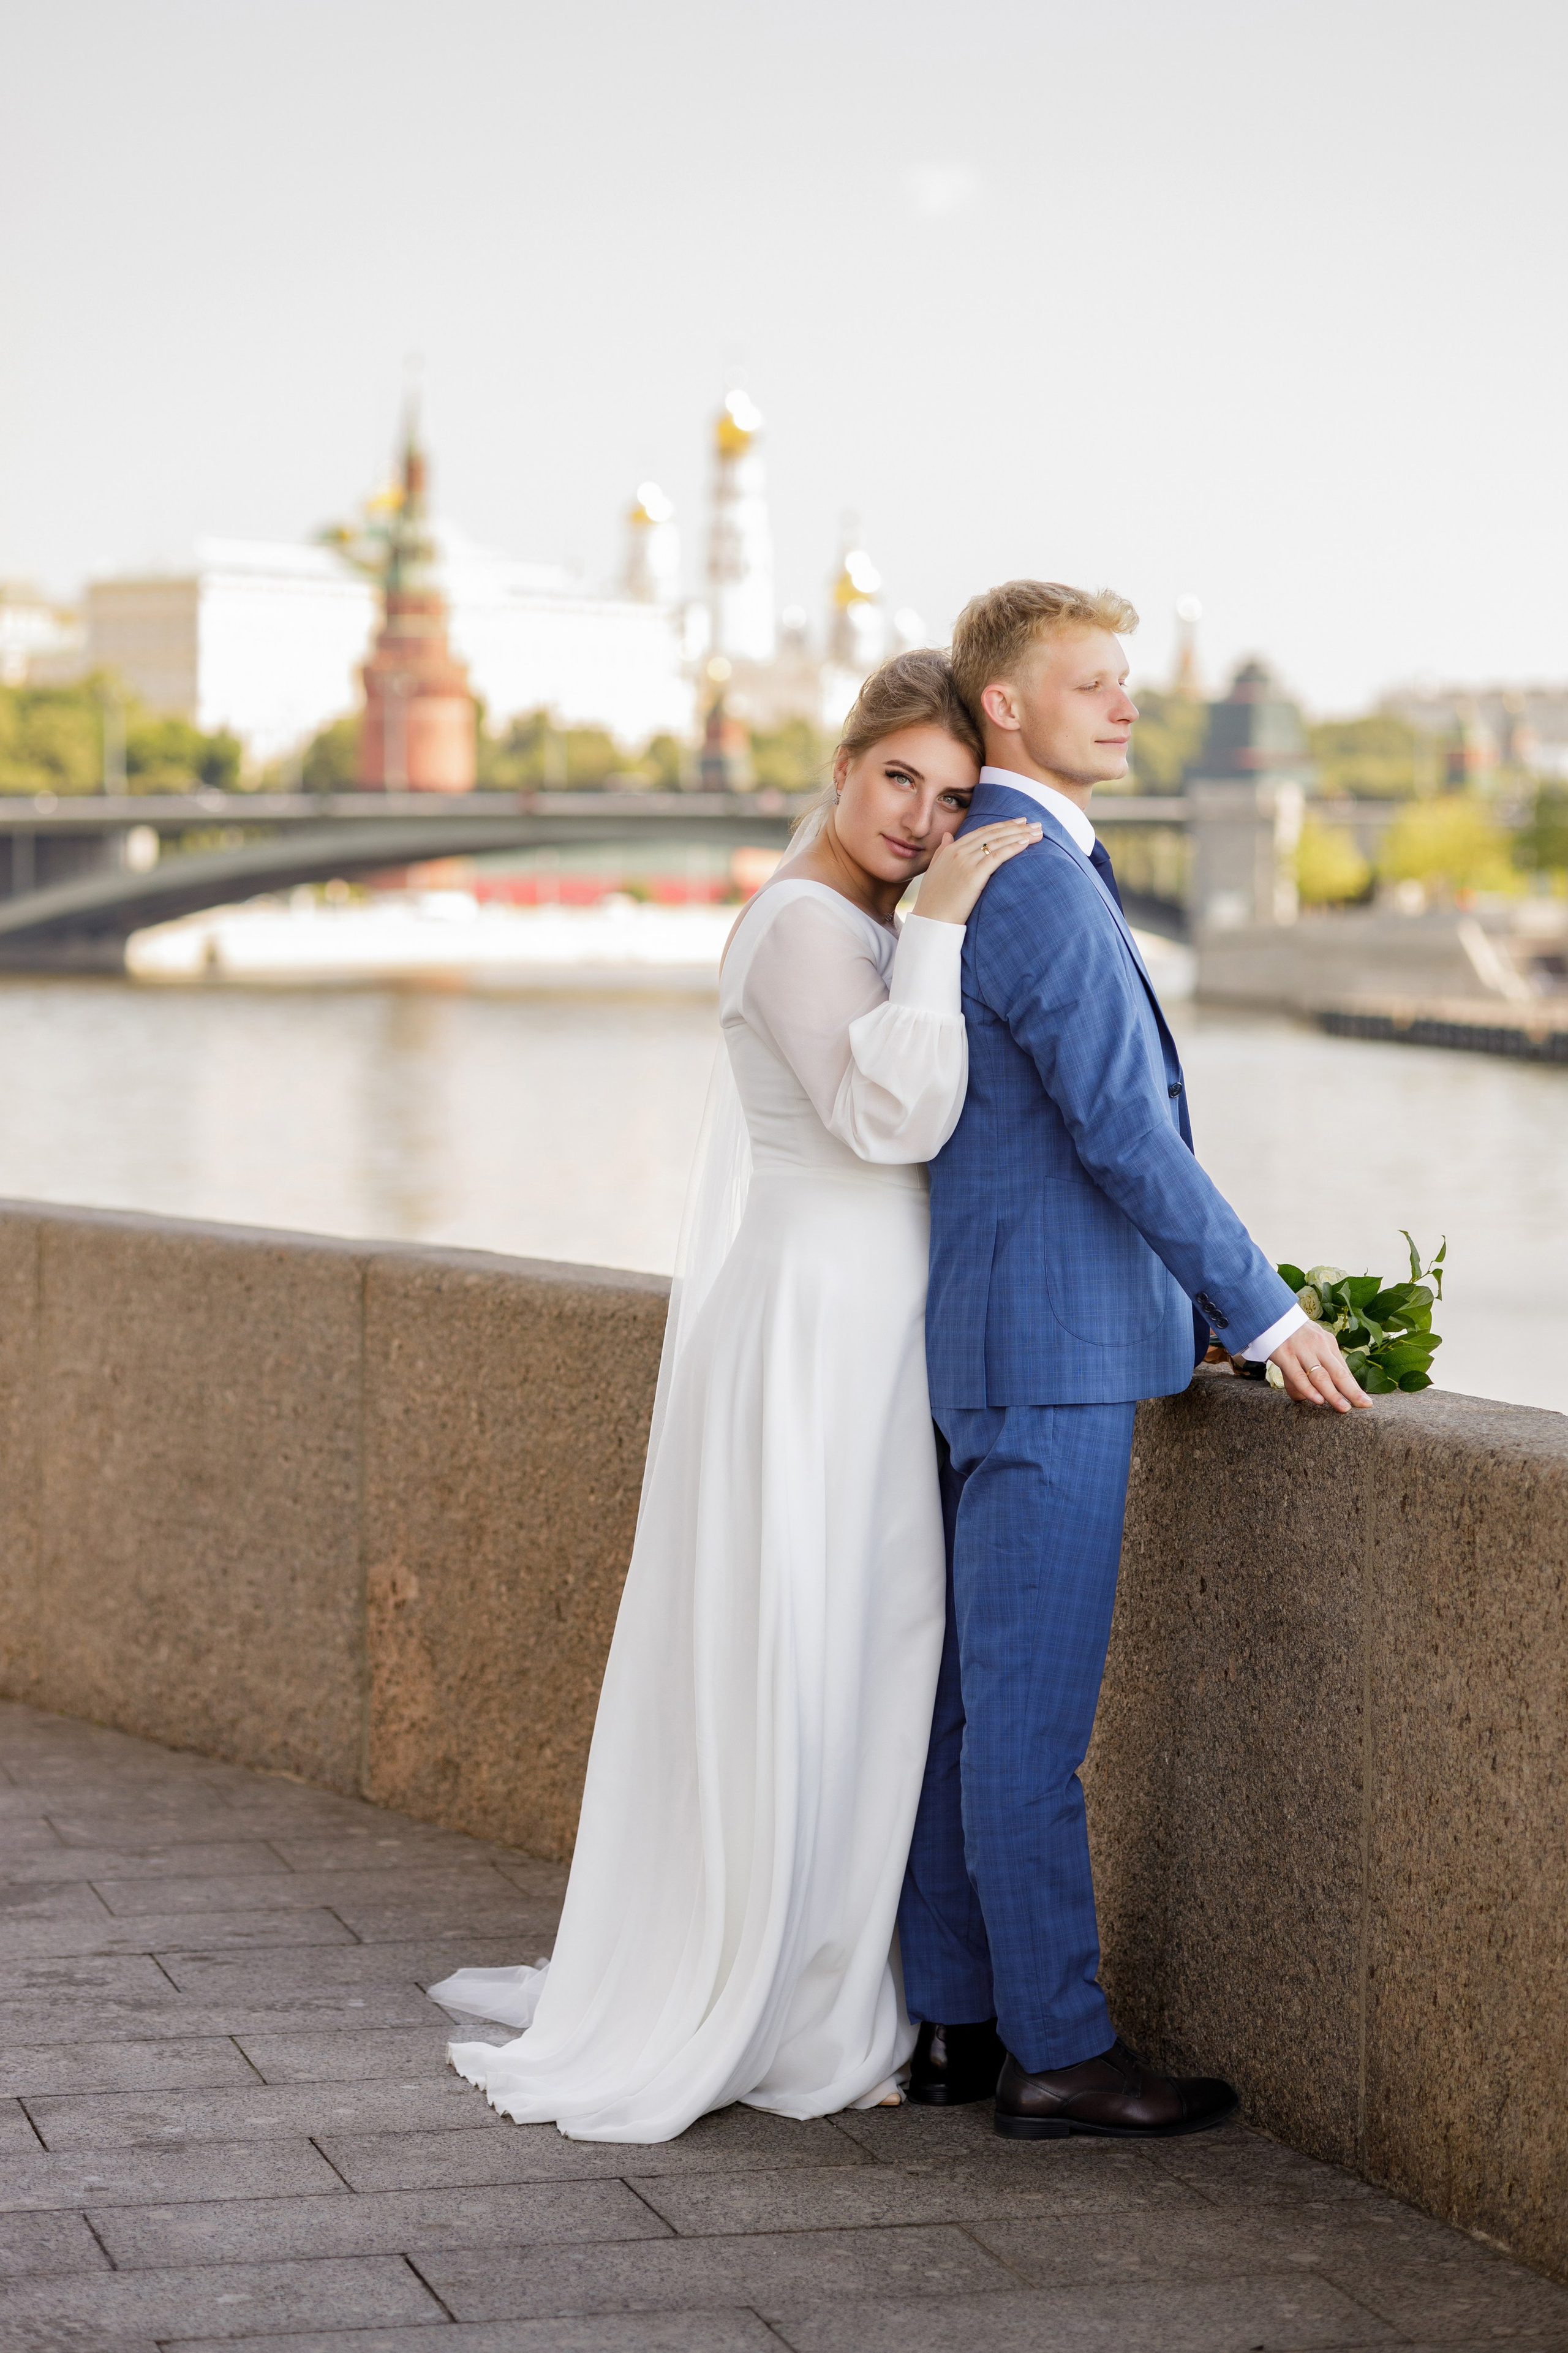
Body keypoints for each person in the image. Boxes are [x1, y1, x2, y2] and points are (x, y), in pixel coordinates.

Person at [428, 651, 1040, 2140]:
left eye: (952, 797)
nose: (919, 817)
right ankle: (796, 1996)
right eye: (897, 778)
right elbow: (882, 1111)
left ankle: (823, 1963)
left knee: (867, 1648)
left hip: (862, 1321)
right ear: (839, 768)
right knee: (821, 1643)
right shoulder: (801, 922)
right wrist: (949, 926)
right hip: (817, 1331)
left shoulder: (852, 918)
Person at [898, 581, 1369, 2140]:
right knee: (1027, 1732)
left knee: (972, 1717)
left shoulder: (1015, 873)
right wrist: (1270, 1307)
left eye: (1126, 682)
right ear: (1006, 710)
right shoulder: (1036, 882)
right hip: (1052, 1362)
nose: (1124, 705)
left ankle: (962, 2019)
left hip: (1013, 1344)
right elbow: (1120, 1134)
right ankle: (1058, 2052)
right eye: (1089, 683)